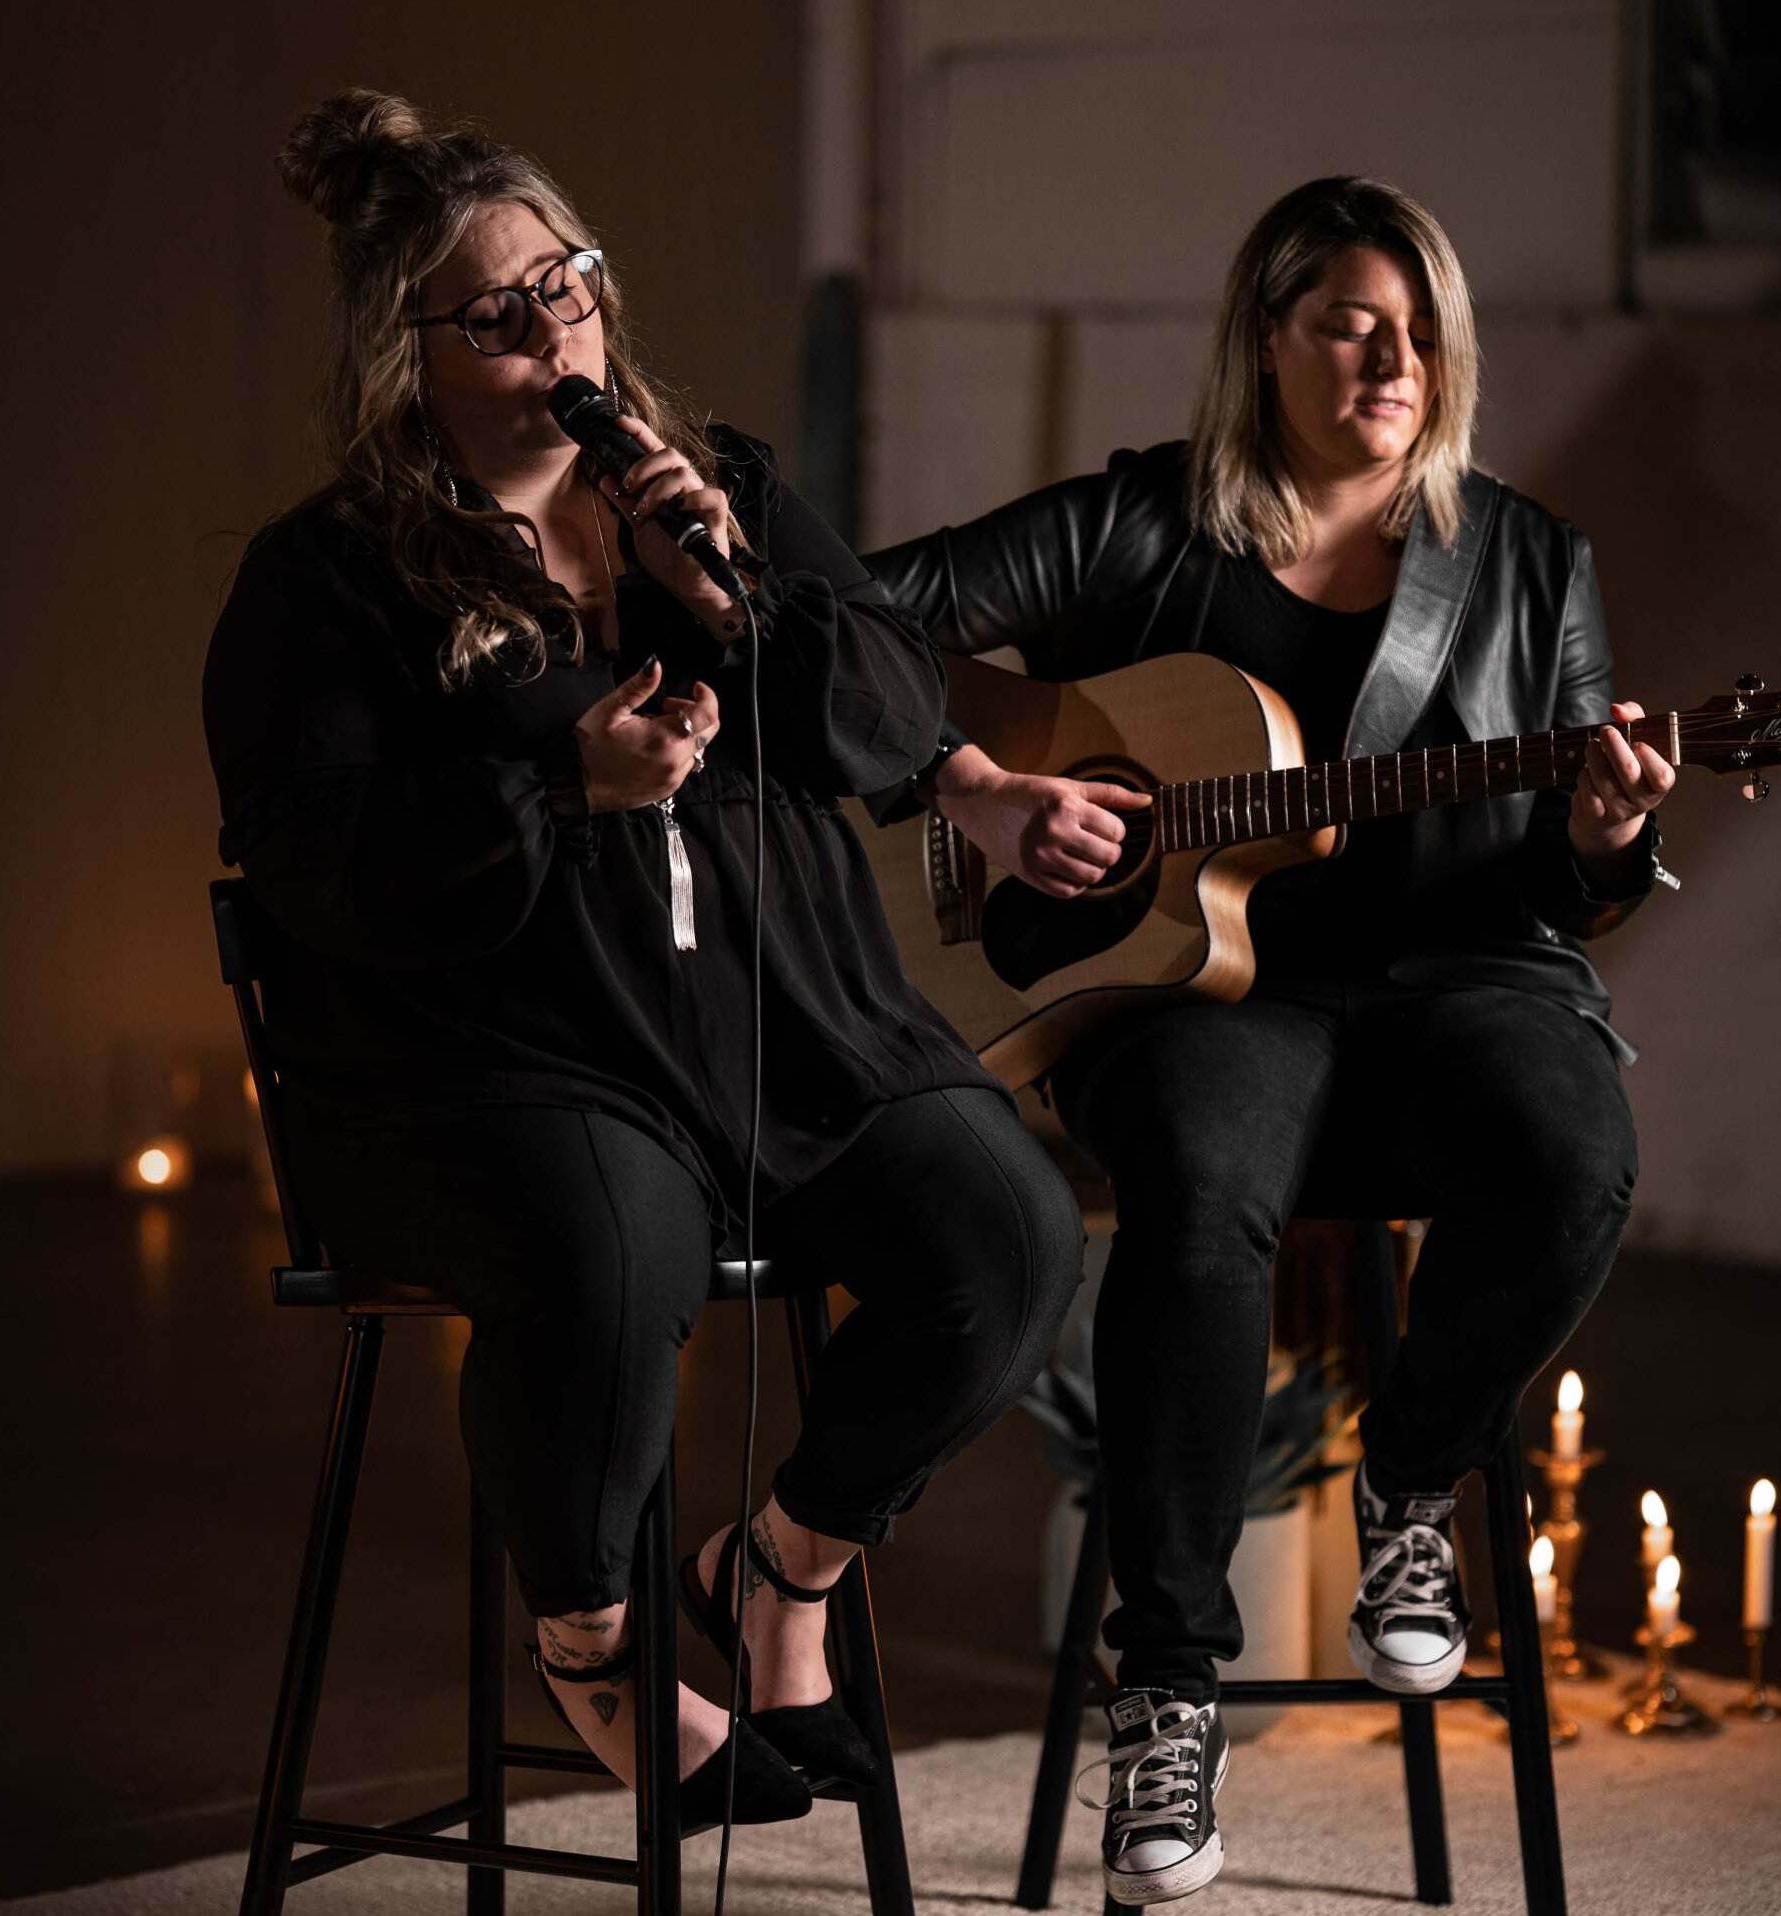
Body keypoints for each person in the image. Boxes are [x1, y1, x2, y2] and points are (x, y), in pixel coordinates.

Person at [204, 90, 1084, 1826]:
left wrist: (739, 578)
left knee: (1009, 1234)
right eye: (500, 313)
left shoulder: (722, 482)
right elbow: (308, 857)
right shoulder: (328, 574)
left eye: (570, 283)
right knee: (615, 1264)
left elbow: (887, 716)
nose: (556, 331)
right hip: (515, 1059)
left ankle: (781, 1574)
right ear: (417, 355)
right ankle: (597, 1646)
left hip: (789, 1028)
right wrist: (560, 779)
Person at [867, 175, 1673, 1903]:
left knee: (1576, 1157)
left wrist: (1602, 839)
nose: (1396, 357)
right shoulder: (1137, 529)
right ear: (1267, 341)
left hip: (1461, 987)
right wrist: (993, 792)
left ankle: (1410, 1486)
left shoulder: (1531, 562)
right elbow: (857, 625)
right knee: (1201, 1184)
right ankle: (1164, 1688)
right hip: (1194, 993)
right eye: (1351, 323)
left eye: (1420, 328)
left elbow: (1566, 886)